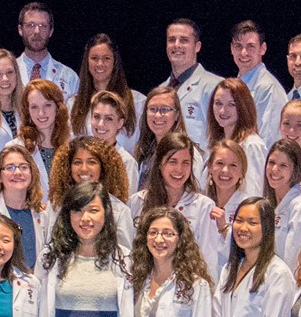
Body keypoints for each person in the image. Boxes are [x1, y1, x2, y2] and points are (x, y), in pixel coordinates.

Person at [36, 182, 138, 317]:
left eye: (93, 210)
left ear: (106, 214)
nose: (85, 219)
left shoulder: (124, 259)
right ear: (68, 215)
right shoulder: (50, 256)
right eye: (78, 211)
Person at [210, 197, 298, 317]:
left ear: (267, 227)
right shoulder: (229, 269)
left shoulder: (278, 273)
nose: (243, 228)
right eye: (239, 220)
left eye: (252, 222)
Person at [129, 133, 225, 271]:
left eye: (185, 163)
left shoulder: (204, 206)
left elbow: (208, 260)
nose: (179, 170)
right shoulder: (137, 202)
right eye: (172, 161)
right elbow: (132, 252)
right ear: (160, 164)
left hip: (188, 286)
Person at [50, 136, 138, 243]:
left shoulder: (120, 211)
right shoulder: (56, 206)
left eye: (91, 162)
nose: (84, 169)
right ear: (68, 167)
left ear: (103, 167)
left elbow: (125, 254)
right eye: (77, 162)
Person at [163, 18, 223, 138]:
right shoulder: (161, 90)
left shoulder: (217, 87)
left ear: (197, 46)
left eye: (184, 40)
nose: (177, 45)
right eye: (171, 40)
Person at [263, 139, 301, 263]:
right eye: (271, 162)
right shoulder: (267, 205)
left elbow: (294, 261)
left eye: (283, 165)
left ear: (295, 169)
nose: (275, 169)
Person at [70, 33, 146, 125]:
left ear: (115, 62)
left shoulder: (138, 102)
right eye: (94, 58)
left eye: (106, 58)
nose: (100, 63)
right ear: (87, 62)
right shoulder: (73, 104)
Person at [208, 78, 268, 193]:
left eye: (231, 104)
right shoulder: (217, 144)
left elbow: (253, 195)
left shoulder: (251, 145)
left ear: (243, 107)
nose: (222, 110)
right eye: (218, 103)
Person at [228, 21, 287, 132]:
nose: (244, 52)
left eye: (250, 46)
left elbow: (269, 142)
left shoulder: (269, 89)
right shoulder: (233, 86)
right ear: (231, 48)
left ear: (262, 48)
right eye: (238, 46)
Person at [15, 2, 78, 101]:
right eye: (31, 25)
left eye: (42, 26)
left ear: (51, 31)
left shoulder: (69, 77)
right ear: (20, 29)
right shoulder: (9, 73)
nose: (37, 31)